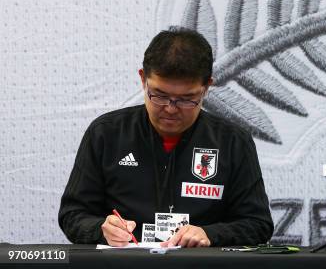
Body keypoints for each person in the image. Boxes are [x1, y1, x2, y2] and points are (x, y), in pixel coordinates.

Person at [58, 27, 274, 247]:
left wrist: (210, 234)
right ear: (143, 79)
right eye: (159, 96)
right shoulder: (106, 133)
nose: (171, 109)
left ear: (207, 87)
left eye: (186, 99)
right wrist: (101, 229)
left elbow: (258, 224)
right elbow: (73, 214)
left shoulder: (233, 142)